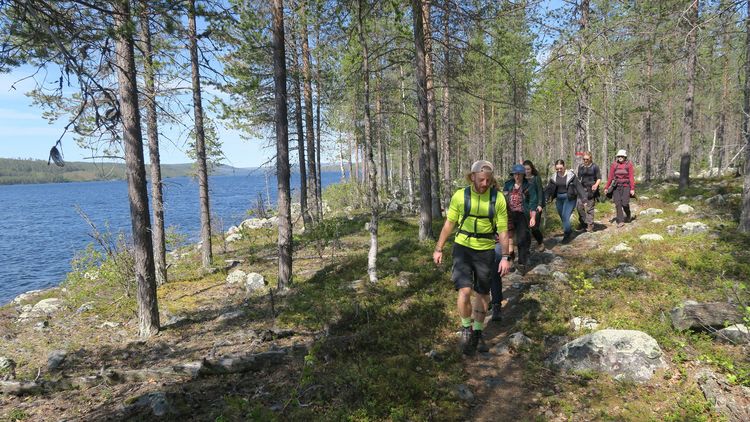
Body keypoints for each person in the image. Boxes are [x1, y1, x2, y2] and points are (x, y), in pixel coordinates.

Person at [434, 160, 511, 355]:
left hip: (486, 250)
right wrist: (439, 248)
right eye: (482, 180)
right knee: (465, 291)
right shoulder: (461, 196)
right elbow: (449, 224)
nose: (485, 184)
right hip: (463, 248)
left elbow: (502, 230)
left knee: (483, 292)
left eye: (489, 180)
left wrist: (505, 256)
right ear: (473, 176)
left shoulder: (498, 198)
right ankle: (466, 328)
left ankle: (478, 332)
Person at [502, 164, 538, 275]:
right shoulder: (508, 185)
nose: (517, 176)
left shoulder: (529, 185)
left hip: (523, 214)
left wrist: (533, 217)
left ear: (523, 175)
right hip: (509, 214)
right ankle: (510, 259)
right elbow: (502, 200)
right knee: (507, 239)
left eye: (519, 174)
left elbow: (533, 202)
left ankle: (522, 263)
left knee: (522, 238)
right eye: (515, 174)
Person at [544, 160, 588, 244]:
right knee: (563, 217)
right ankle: (569, 231)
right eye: (557, 169)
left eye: (561, 168)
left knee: (565, 216)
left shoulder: (571, 176)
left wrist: (584, 199)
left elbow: (579, 187)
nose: (559, 170)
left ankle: (567, 235)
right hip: (559, 199)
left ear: (564, 166)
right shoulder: (554, 176)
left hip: (570, 198)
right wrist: (546, 197)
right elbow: (549, 188)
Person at [605, 149, 635, 228]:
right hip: (616, 186)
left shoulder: (629, 165)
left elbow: (631, 177)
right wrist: (606, 187)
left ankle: (628, 214)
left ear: (625, 157)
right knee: (618, 203)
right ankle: (621, 221)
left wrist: (632, 188)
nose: (620, 157)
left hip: (626, 186)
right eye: (619, 156)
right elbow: (610, 177)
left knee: (625, 203)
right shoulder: (614, 165)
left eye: (622, 156)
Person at [576, 152, 602, 232]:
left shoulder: (595, 167)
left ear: (590, 158)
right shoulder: (581, 167)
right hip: (582, 189)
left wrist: (596, 185)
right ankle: (584, 223)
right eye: (584, 159)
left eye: (587, 159)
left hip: (591, 189)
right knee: (579, 206)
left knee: (590, 208)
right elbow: (579, 178)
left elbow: (599, 178)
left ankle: (590, 226)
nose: (585, 160)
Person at [523, 160, 545, 252]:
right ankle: (526, 248)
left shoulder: (536, 178)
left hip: (535, 206)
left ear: (532, 169)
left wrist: (540, 205)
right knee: (525, 228)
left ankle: (540, 242)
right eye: (524, 169)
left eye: (528, 169)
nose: (526, 171)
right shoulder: (522, 178)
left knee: (534, 227)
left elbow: (540, 191)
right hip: (525, 206)